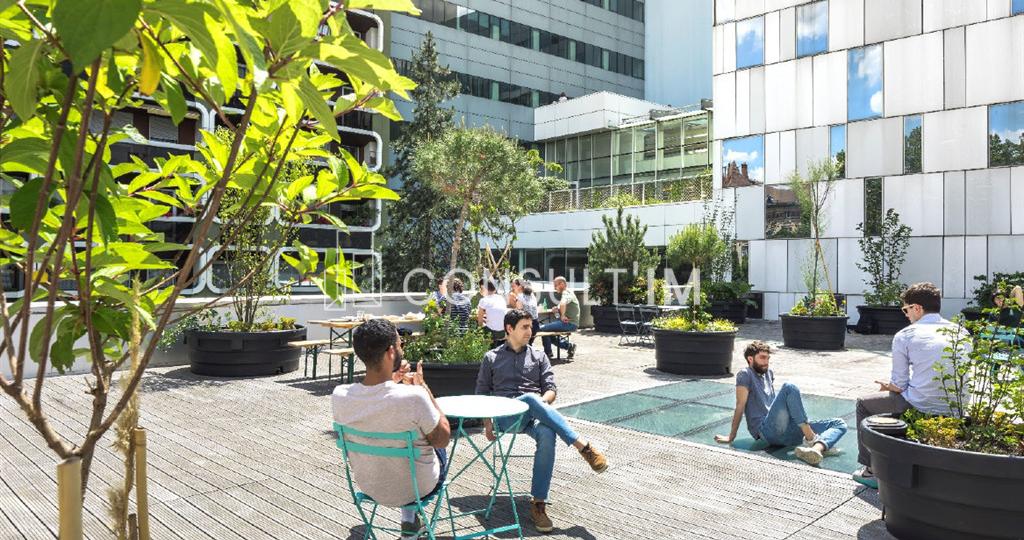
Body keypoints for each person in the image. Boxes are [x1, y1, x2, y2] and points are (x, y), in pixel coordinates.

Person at [475, 309, 608, 533]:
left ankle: (538, 504)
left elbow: (551, 390)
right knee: (530, 398)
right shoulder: (492, 357)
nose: (531, 331)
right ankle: (582, 447)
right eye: (525, 327)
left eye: (530, 326)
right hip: (505, 417)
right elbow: (480, 393)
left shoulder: (539, 356)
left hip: (532, 416)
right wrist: (487, 423)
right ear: (509, 329)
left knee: (547, 431)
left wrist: (539, 404)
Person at [331, 319, 451, 539]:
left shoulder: (339, 396)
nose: (402, 349)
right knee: (434, 444)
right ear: (390, 352)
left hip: (371, 486)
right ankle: (410, 518)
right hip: (419, 487)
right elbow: (443, 438)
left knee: (405, 445)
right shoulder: (414, 397)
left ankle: (409, 521)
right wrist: (424, 389)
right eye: (400, 344)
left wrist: (391, 381)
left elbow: (377, 400)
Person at [853, 282, 968, 489]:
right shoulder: (962, 333)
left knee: (864, 404)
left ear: (917, 308)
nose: (905, 314)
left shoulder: (906, 335)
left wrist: (890, 387)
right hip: (958, 409)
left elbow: (899, 384)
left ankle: (871, 471)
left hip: (921, 406)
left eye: (905, 309)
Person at [715, 341, 848, 467]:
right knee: (789, 387)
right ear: (750, 359)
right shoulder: (745, 374)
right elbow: (740, 405)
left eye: (768, 358)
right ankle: (812, 438)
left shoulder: (768, 373)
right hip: (766, 431)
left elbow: (775, 405)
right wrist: (731, 436)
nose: (766, 362)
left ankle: (817, 448)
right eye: (762, 358)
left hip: (786, 431)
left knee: (839, 423)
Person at [539, 276, 578, 359]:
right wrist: (556, 312)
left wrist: (563, 315)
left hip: (569, 323)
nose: (554, 287)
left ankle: (548, 354)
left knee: (541, 328)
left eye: (555, 285)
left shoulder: (567, 292)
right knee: (548, 333)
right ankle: (569, 347)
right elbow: (558, 316)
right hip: (569, 323)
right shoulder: (566, 294)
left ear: (562, 284)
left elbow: (563, 303)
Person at [477, 279, 509, 348]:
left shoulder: (483, 300)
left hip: (493, 333)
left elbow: (479, 321)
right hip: (503, 332)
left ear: (483, 288)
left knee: (478, 327)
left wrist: (483, 324)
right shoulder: (501, 298)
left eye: (480, 288)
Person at [509, 278, 541, 345]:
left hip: (527, 326)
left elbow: (519, 312)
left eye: (513, 286)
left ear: (520, 287)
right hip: (535, 325)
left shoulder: (520, 297)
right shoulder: (532, 295)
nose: (512, 288)